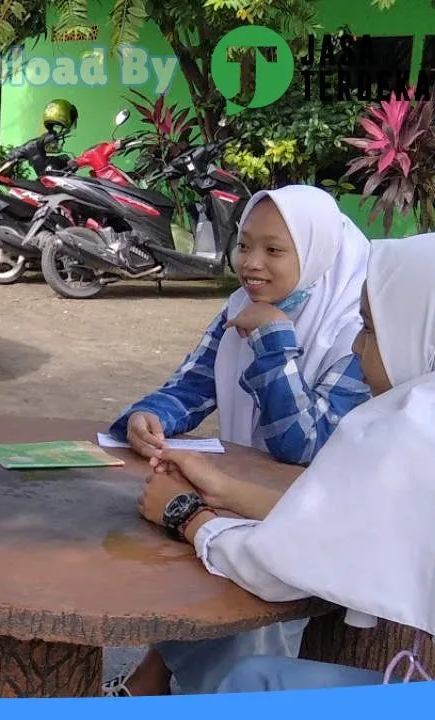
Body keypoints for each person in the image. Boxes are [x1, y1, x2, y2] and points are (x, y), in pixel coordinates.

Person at [137, 229, 435, 691]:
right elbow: (356, 513)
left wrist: (187, 515)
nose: (357, 348)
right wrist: (224, 488)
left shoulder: (420, 433)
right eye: (245, 246)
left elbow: (278, 566)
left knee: (250, 682)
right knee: (257, 676)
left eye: (371, 330)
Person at [103, 185, 373, 697]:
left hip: (311, 518)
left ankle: (180, 687)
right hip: (234, 496)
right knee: (188, 565)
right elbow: (191, 385)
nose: (251, 263)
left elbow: (308, 446)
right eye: (244, 244)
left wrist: (274, 342)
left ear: (318, 251)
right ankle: (153, 681)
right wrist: (148, 416)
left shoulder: (355, 330)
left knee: (240, 599)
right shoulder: (240, 305)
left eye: (274, 250)